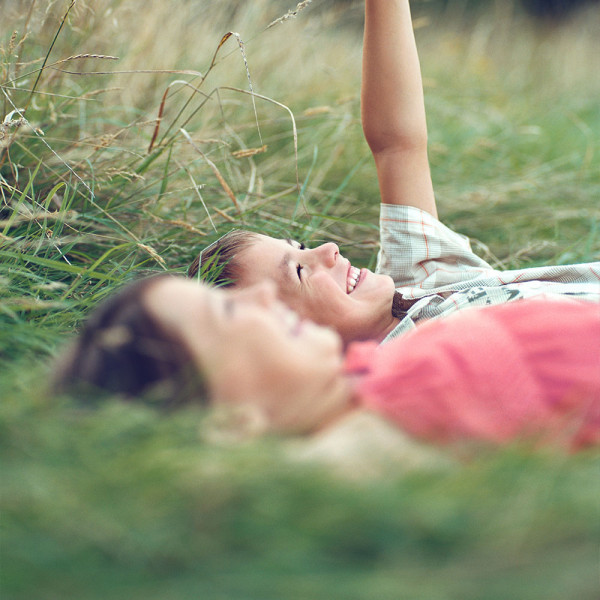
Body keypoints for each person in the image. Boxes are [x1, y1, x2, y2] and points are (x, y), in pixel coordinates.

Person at [187, 0, 600, 347]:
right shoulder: (409, 370)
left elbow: (396, 145)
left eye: (301, 247)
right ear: (288, 337)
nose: (328, 250)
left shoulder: (421, 280)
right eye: (299, 271)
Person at [55, 274, 600, 452]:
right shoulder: (376, 430)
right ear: (230, 419)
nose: (261, 294)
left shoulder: (377, 373)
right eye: (226, 309)